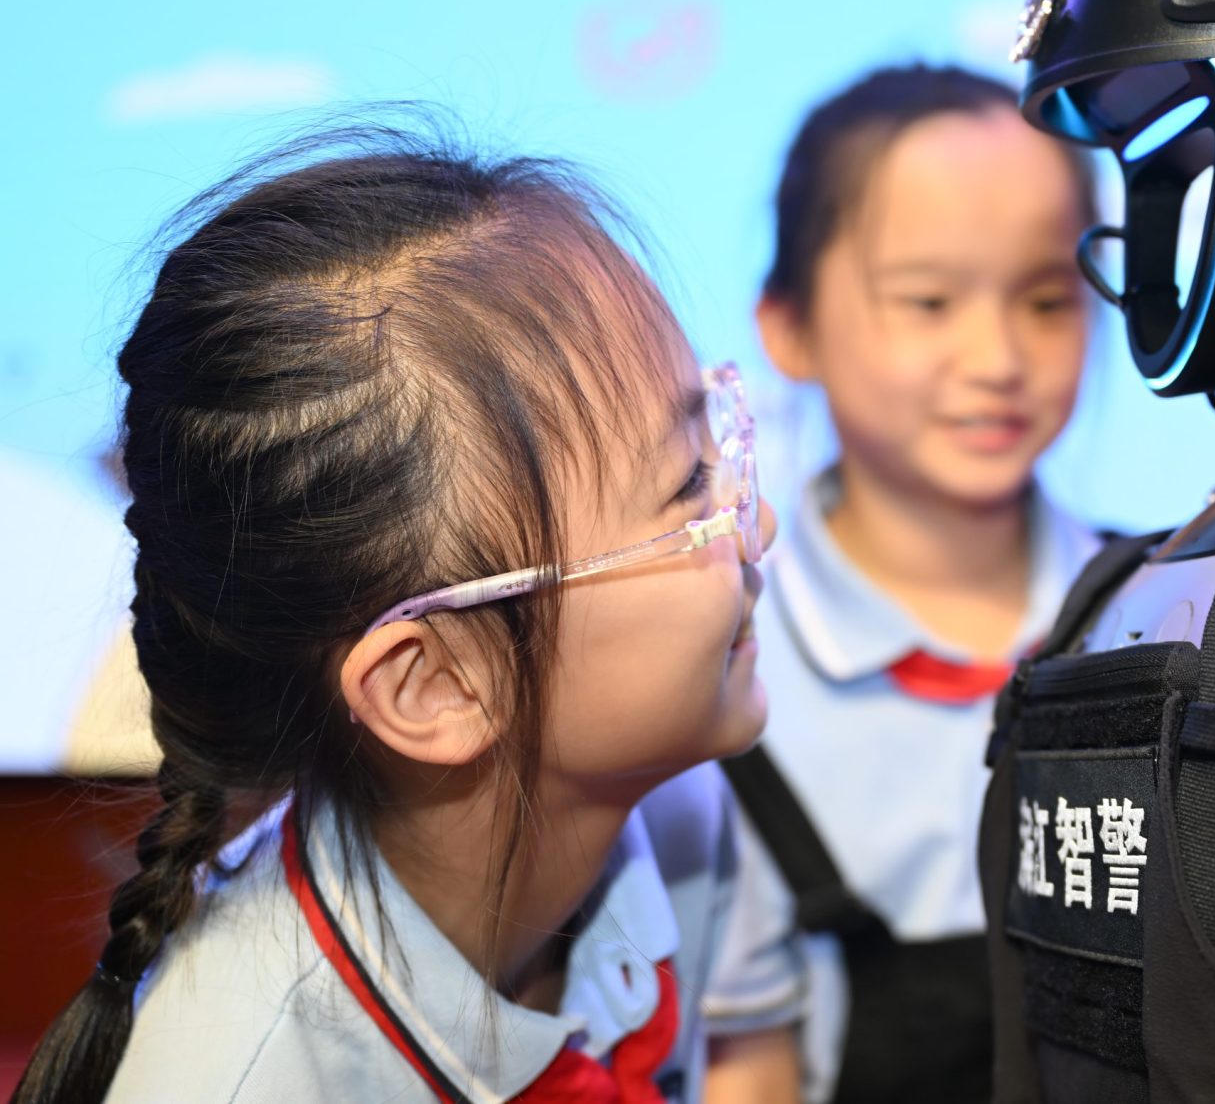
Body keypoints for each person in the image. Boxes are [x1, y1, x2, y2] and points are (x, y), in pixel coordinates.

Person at [10, 122, 776, 1104]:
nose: (758, 523)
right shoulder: (238, 1080)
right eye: (686, 490)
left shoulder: (676, 815)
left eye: (719, 448)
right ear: (433, 683)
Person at [699, 65, 1101, 1104]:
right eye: (928, 300)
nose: (996, 356)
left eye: (1046, 300)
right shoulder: (721, 675)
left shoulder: (1167, 617)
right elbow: (747, 1072)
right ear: (787, 326)